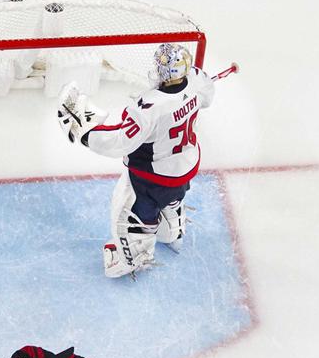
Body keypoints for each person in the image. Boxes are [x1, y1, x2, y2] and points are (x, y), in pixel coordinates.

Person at [56, 42, 217, 277]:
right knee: (173, 198)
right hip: (185, 166)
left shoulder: (149, 107)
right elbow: (207, 96)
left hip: (153, 177)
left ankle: (134, 257)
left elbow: (122, 140)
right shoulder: (195, 79)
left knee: (134, 212)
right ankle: (172, 230)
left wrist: (87, 134)